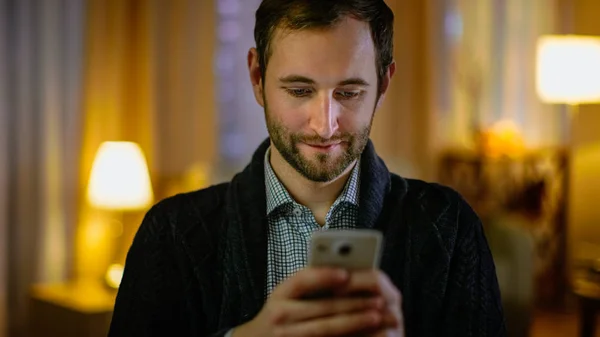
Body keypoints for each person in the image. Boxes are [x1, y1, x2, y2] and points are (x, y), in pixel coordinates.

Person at [108, 0, 506, 336]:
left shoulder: (451, 230)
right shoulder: (170, 235)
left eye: (349, 92)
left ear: (384, 84)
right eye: (299, 91)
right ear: (257, 78)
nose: (324, 125)